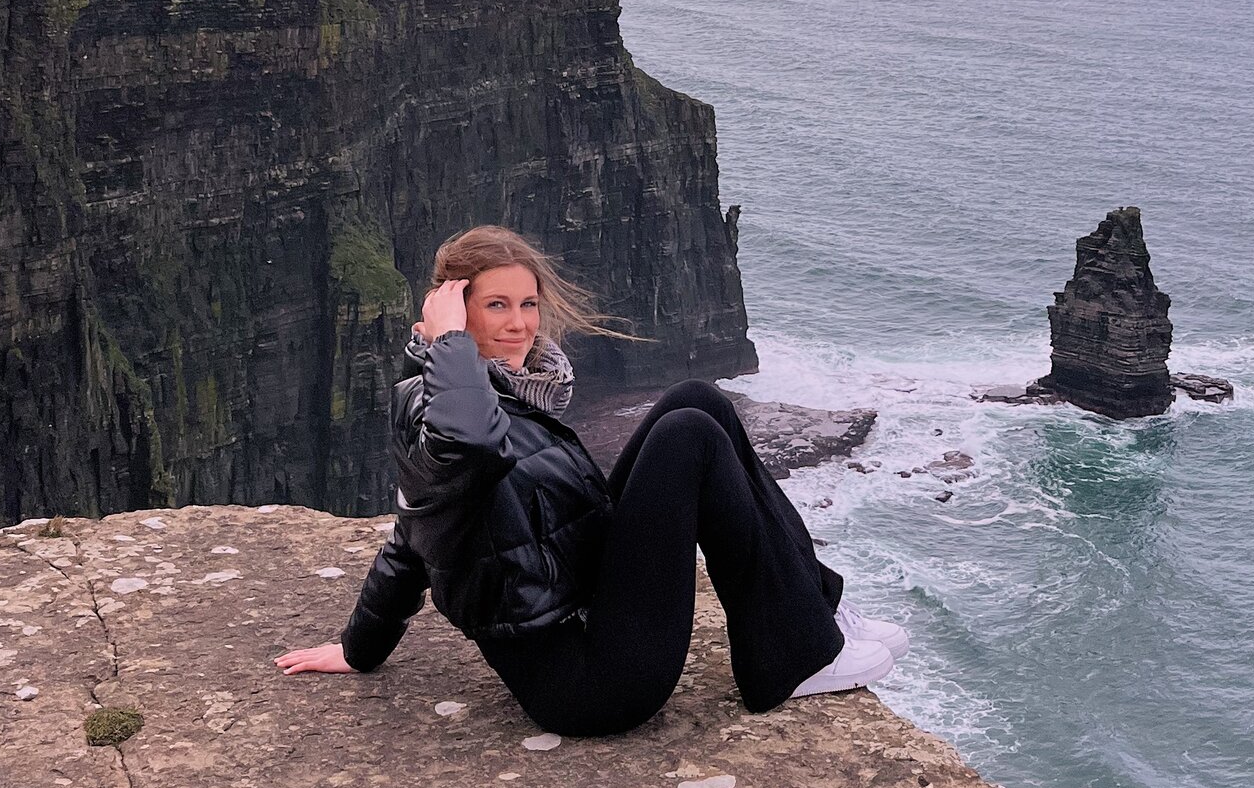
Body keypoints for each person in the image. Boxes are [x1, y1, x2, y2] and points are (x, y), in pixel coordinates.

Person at [276, 223, 907, 736]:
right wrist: (447, 348)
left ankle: (817, 609)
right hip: (592, 679)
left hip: (592, 605)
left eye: (528, 305)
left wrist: (359, 648)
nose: (520, 325)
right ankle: (788, 660)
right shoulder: (434, 409)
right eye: (495, 306)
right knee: (688, 441)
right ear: (452, 314)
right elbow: (446, 484)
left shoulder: (510, 394)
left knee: (697, 400)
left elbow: (409, 535)